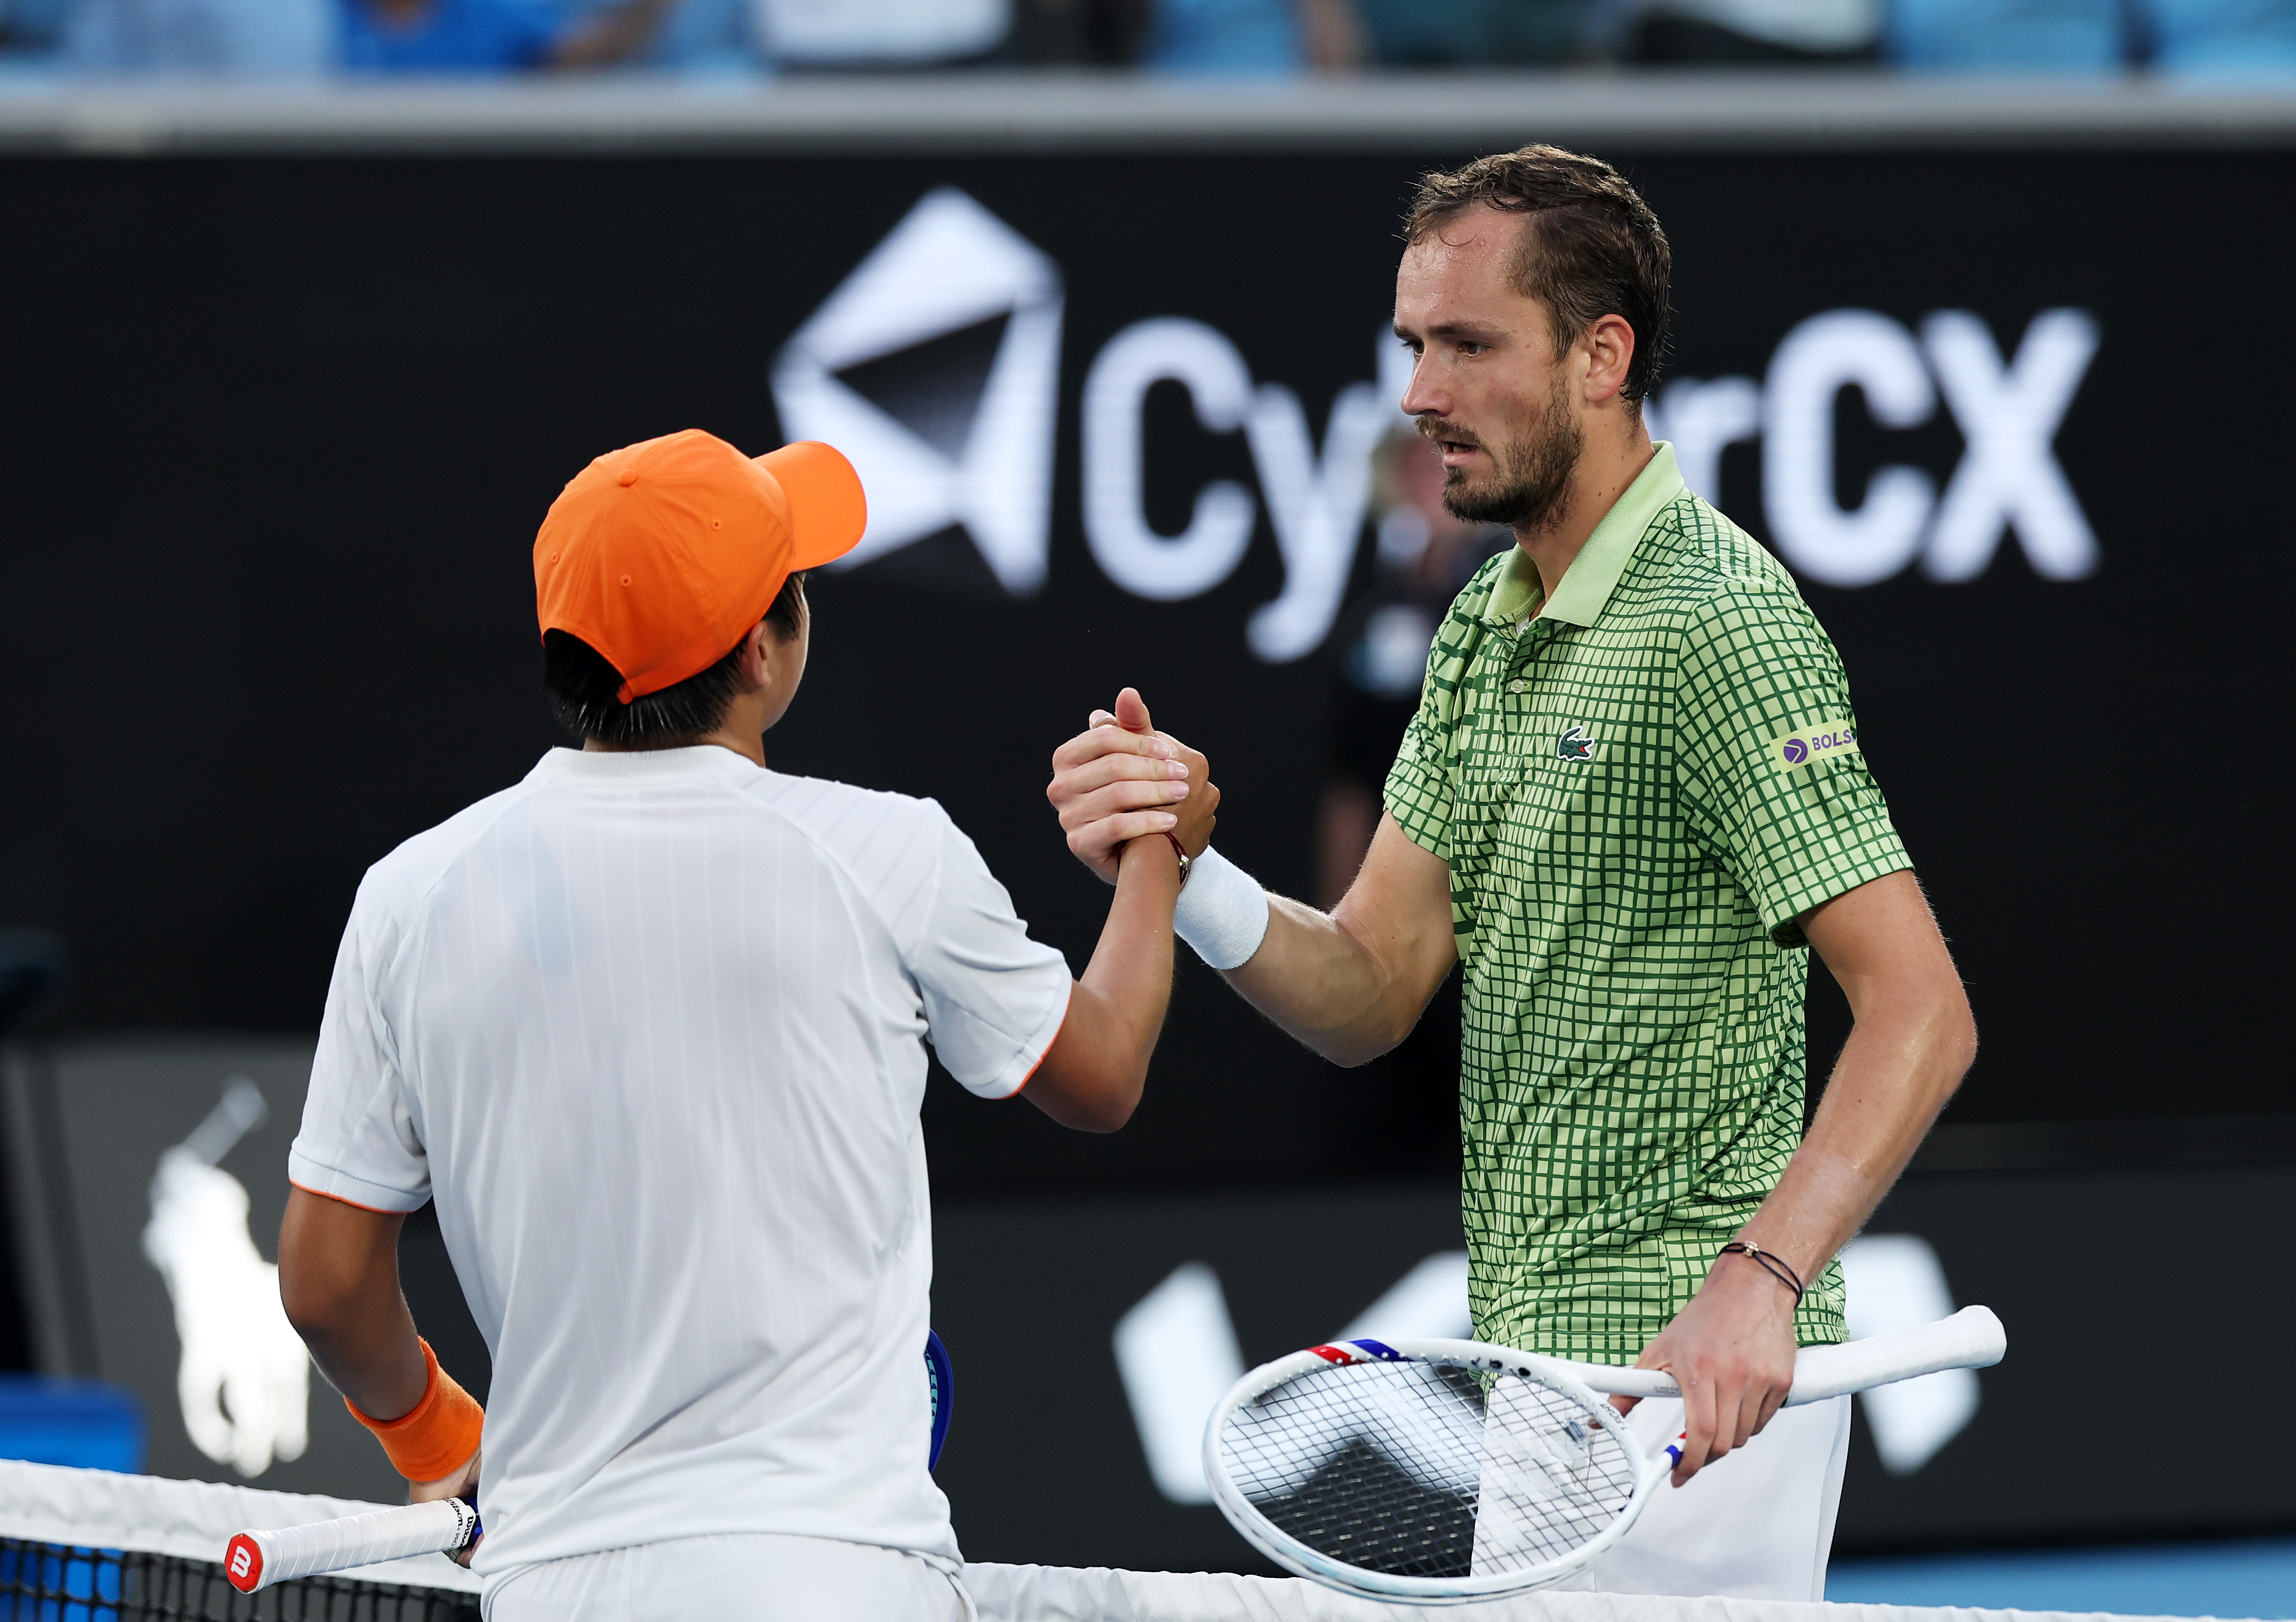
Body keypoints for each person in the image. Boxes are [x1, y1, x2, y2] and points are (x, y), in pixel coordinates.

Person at [1047, 147, 1976, 1602]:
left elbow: (1918, 1007)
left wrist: (1760, 1280)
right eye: (1412, 343)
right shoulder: (1485, 614)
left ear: (1599, 357)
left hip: (1691, 1395)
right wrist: (1192, 864)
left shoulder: (1718, 622)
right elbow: (1367, 985)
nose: (1418, 393)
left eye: (1467, 344)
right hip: (1543, 1375)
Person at [276, 429, 1212, 1620]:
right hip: (837, 1577)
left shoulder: (412, 896)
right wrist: (1156, 850)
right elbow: (1106, 1070)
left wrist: (437, 1441)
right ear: (766, 650)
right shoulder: (887, 853)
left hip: (554, 1585)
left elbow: (325, 1282)